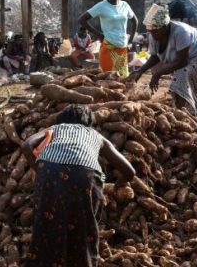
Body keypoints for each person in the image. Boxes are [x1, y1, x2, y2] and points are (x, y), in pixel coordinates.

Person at [22, 104, 135, 267]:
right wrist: (118, 184)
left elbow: (26, 146)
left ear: (62, 119)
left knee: (46, 224)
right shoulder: (96, 135)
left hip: (48, 171)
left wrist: (39, 172)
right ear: (88, 123)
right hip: (84, 176)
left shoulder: (56, 128)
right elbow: (129, 172)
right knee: (83, 228)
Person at [128, 4, 197, 115]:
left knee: (183, 73)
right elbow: (155, 56)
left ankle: (185, 111)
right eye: (150, 31)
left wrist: (158, 74)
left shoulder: (181, 32)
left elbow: (182, 61)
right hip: (186, 54)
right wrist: (141, 70)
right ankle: (179, 108)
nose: (152, 35)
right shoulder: (154, 34)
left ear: (165, 26)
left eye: (155, 32)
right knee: (175, 75)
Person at [78, 0, 138, 78]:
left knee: (122, 79)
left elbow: (135, 21)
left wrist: (130, 42)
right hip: (108, 48)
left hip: (122, 48)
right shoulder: (102, 6)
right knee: (108, 79)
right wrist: (98, 34)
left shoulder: (125, 5)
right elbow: (82, 20)